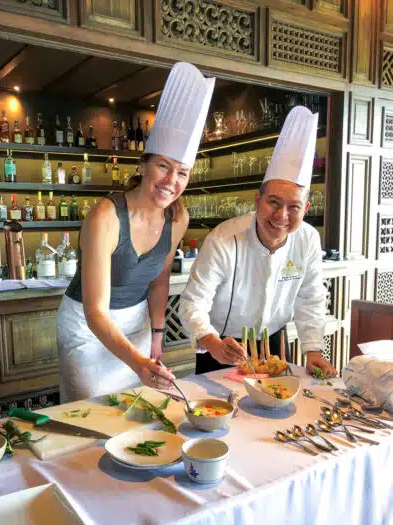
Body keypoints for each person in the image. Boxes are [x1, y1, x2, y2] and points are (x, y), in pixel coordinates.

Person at [57, 62, 215, 403]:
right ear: (142, 166)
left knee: (137, 410)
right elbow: (95, 310)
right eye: (163, 166)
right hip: (88, 328)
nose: (172, 181)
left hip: (139, 324)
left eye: (182, 173)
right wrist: (138, 362)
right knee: (92, 415)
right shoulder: (106, 217)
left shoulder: (178, 218)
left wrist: (156, 337)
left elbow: (158, 281)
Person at [179, 106, 337, 378]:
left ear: (306, 207)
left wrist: (313, 351)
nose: (281, 216)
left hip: (273, 343)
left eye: (294, 207)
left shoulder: (308, 239)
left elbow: (310, 299)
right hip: (223, 345)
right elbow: (193, 302)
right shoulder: (223, 239)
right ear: (257, 200)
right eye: (273, 202)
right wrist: (211, 341)